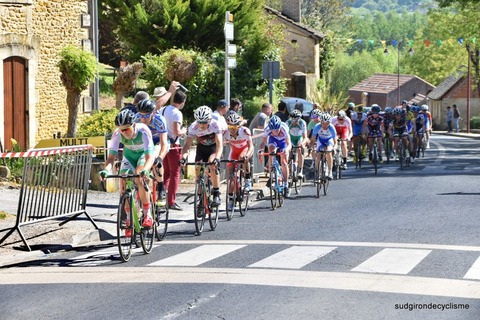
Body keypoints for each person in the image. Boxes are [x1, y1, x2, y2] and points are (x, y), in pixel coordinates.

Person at [99, 109, 155, 233]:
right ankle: (129, 219)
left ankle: (147, 214)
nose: (124, 132)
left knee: (139, 177)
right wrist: (106, 171)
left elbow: (149, 157)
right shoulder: (117, 134)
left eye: (127, 129)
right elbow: (111, 158)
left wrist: (145, 170)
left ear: (133, 125)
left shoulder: (143, 131)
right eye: (121, 130)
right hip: (129, 156)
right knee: (123, 179)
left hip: (143, 155)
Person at [180, 106, 223, 206]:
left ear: (209, 120)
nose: (202, 125)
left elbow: (219, 144)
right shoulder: (193, 127)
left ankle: (216, 193)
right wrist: (183, 157)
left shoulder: (215, 125)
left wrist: (217, 158)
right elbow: (187, 145)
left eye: (204, 122)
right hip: (201, 149)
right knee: (198, 170)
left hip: (213, 148)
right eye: (199, 122)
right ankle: (200, 199)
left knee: (212, 164)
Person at [135, 99, 169, 206]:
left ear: (153, 113)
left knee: (154, 158)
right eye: (141, 115)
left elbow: (163, 145)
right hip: (145, 142)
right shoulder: (136, 119)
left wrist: (160, 158)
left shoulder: (160, 120)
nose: (143, 119)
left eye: (146, 116)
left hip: (158, 142)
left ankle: (161, 187)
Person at [160, 90, 187, 211]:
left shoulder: (163, 109)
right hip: (174, 146)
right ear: (183, 102)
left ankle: (160, 198)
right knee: (175, 174)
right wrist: (184, 131)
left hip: (163, 144)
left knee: (165, 173)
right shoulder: (177, 113)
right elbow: (177, 131)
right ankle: (171, 201)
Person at [224, 112, 254, 210]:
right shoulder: (225, 133)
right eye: (230, 127)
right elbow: (219, 145)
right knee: (230, 176)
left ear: (238, 126)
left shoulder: (245, 131)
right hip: (234, 152)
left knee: (242, 157)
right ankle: (231, 198)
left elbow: (251, 147)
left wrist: (247, 155)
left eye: (234, 127)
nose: (231, 130)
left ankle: (247, 179)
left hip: (244, 149)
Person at [258, 115, 292, 197]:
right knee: (271, 152)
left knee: (284, 162)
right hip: (273, 141)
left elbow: (289, 144)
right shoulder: (267, 129)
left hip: (283, 142)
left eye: (277, 130)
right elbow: (262, 143)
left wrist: (286, 150)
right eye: (273, 130)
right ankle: (272, 171)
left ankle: (286, 185)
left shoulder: (284, 129)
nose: (275, 132)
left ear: (280, 127)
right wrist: (260, 150)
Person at [311, 113, 337, 180]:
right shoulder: (317, 127)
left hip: (329, 140)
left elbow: (335, 141)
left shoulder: (331, 128)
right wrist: (312, 147)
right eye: (323, 123)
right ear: (320, 122)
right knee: (318, 155)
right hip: (320, 140)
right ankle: (317, 171)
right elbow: (313, 139)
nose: (324, 125)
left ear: (329, 123)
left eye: (327, 123)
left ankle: (330, 171)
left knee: (328, 152)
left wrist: (334, 148)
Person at [286, 109, 308, 178]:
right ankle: (288, 169)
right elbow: (285, 136)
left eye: (297, 120)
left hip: (299, 138)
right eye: (293, 120)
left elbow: (305, 137)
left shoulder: (302, 123)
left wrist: (302, 144)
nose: (295, 122)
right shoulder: (287, 123)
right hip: (291, 138)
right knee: (288, 152)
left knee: (299, 149)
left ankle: (300, 170)